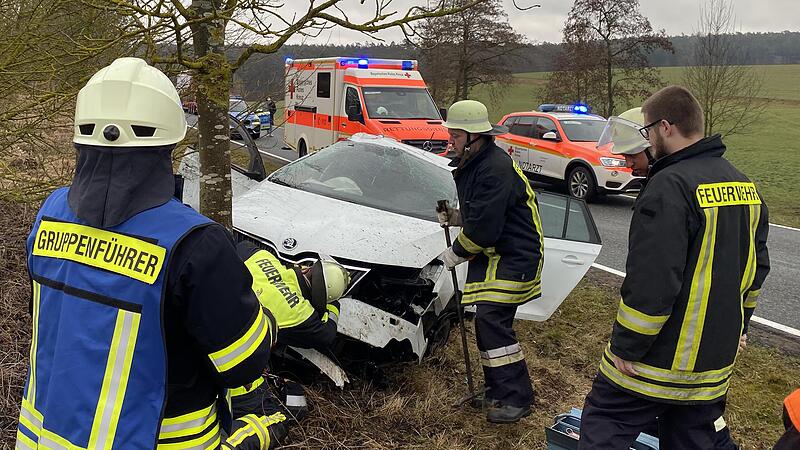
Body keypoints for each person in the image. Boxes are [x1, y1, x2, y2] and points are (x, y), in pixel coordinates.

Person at [16, 57, 284, 450]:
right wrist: (266, 316)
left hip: (47, 438)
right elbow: (243, 362)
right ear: (170, 140)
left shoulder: (49, 216)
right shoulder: (196, 244)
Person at [578, 86, 770, 449]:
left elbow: (653, 281)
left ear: (665, 127)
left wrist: (626, 346)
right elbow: (756, 272)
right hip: (712, 364)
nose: (645, 142)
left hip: (654, 364)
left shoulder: (668, 186)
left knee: (605, 422)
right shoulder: (746, 185)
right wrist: (740, 326)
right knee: (695, 440)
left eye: (647, 132)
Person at [438, 99, 545, 424]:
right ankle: (499, 390)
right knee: (487, 325)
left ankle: (517, 398)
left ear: (474, 136)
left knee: (491, 323)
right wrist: (456, 216)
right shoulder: (479, 162)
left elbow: (484, 229)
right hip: (501, 255)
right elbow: (480, 213)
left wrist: (455, 252)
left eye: (456, 135)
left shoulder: (493, 168)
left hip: (514, 257)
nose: (451, 141)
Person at [230, 242, 350, 422]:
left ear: (307, 269)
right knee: (276, 412)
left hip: (203, 310)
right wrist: (334, 306)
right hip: (231, 358)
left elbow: (239, 247)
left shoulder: (262, 256)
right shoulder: (302, 315)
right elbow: (326, 335)